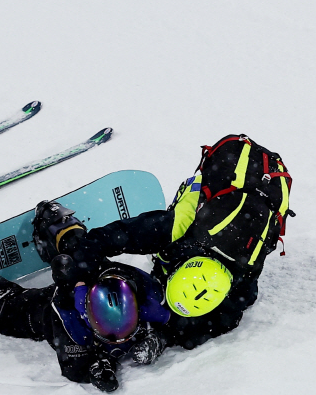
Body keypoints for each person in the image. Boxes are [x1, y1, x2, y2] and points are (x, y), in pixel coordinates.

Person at [52, 134, 293, 350]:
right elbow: (114, 237)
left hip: (250, 219)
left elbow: (220, 321)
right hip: (209, 199)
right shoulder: (175, 227)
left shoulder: (243, 277)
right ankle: (63, 229)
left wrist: (164, 337)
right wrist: (79, 267)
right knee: (150, 236)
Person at [0, 204, 171, 393]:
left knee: (86, 253)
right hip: (61, 302)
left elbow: (171, 321)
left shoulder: (149, 298)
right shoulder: (69, 319)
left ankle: (64, 235)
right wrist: (98, 364)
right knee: (8, 308)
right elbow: (75, 366)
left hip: (99, 278)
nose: (118, 341)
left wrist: (156, 336)